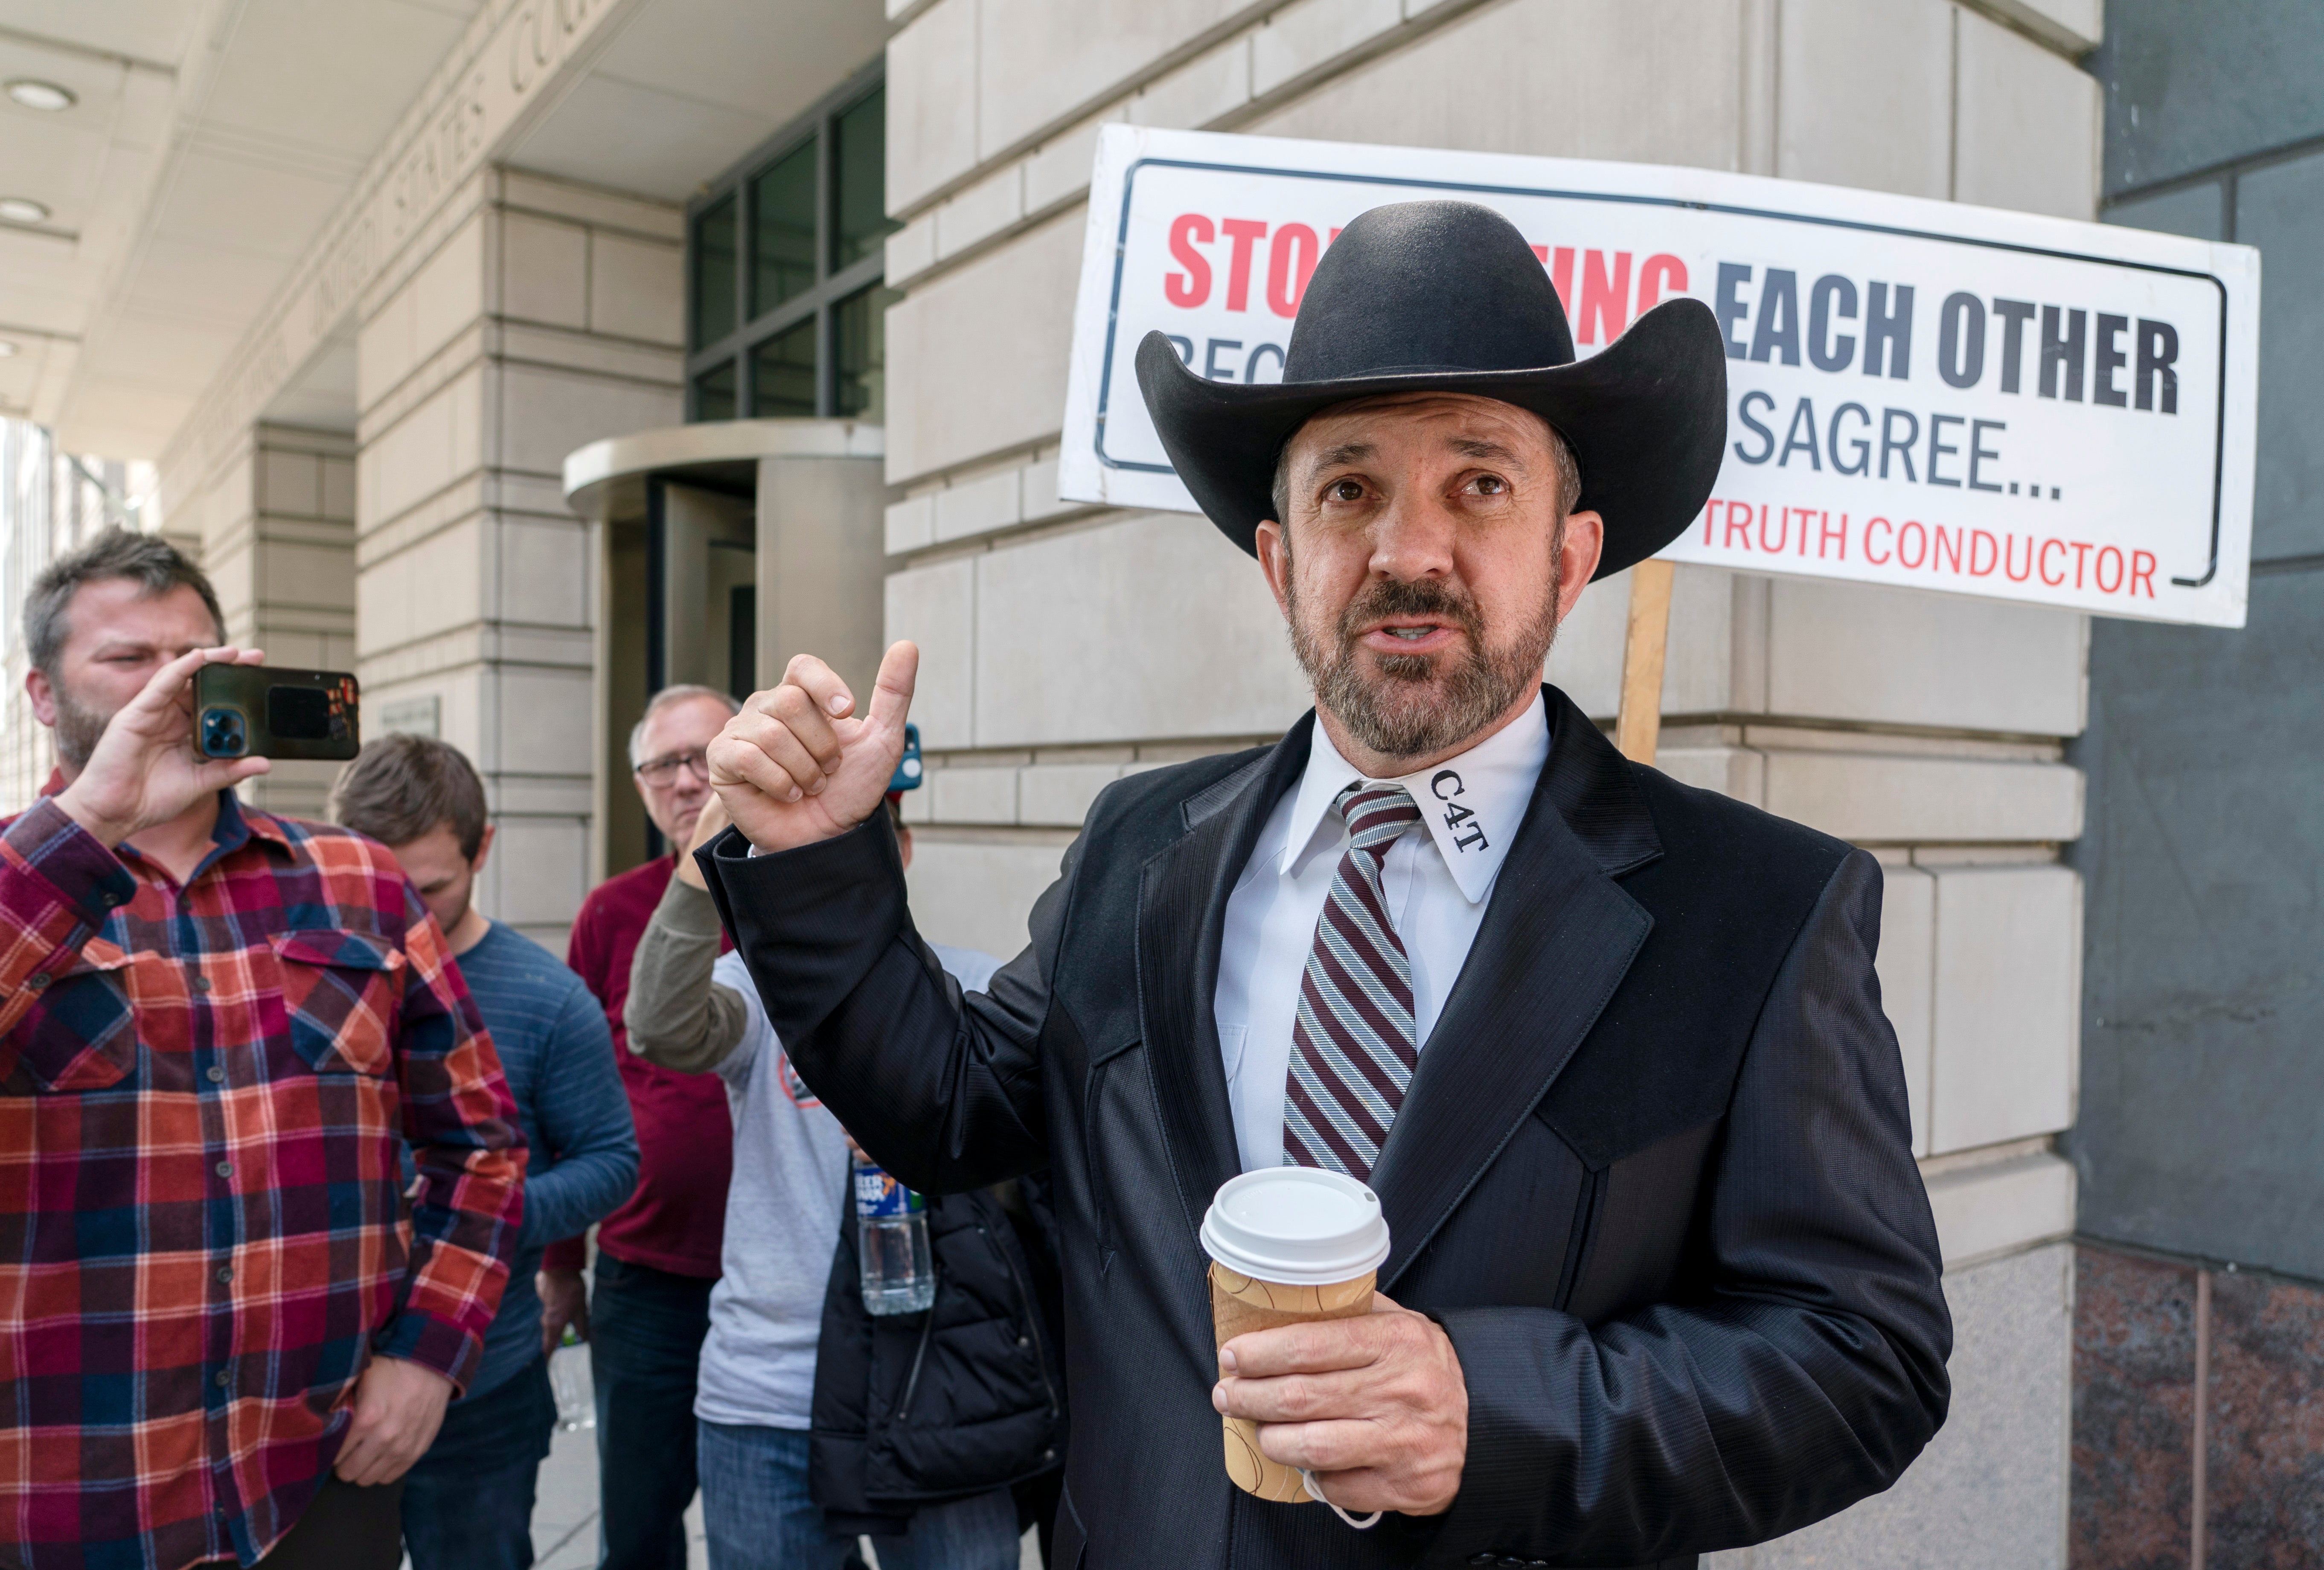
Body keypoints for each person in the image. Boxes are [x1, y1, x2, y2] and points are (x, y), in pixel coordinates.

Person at [693, 202, 1953, 1569]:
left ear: (1573, 556)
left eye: (1480, 484)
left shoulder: (1753, 909)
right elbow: (953, 1110)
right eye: (1350, 490)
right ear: (1283, 561)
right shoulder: (1139, 844)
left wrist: (1499, 1415)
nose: (1410, 551)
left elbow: (1860, 1355)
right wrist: (822, 861)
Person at [0, 528, 524, 1570]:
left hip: (316, 1480)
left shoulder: (357, 880)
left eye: (195, 656)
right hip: (74, 1495)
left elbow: (482, 1145)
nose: (169, 685)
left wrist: (428, 1352)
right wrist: (93, 818)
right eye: (128, 658)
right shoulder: (19, 883)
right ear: (44, 696)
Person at [624, 790, 1055, 1570]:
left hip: (943, 1383)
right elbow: (661, 1025)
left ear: (903, 850)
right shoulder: (754, 990)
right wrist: (698, 868)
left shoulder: (976, 987)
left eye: (853, 840)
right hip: (767, 1389)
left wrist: (928, 1137)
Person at [328, 736, 640, 1570]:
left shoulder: (547, 999)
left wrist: (480, 1212)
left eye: (431, 891)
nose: (405, 924)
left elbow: (613, 1160)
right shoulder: (303, 974)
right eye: (381, 891)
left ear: (484, 848)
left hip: (483, 1384)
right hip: (309, 1384)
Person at [541, 681, 742, 1569]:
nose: (689, 780)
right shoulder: (612, 913)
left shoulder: (810, 894)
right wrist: (560, 1266)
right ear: (641, 786)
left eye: (708, 756)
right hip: (647, 1278)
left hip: (795, 1280)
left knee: (785, 1525)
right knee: (640, 1524)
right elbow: (569, 1099)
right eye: (666, 764)